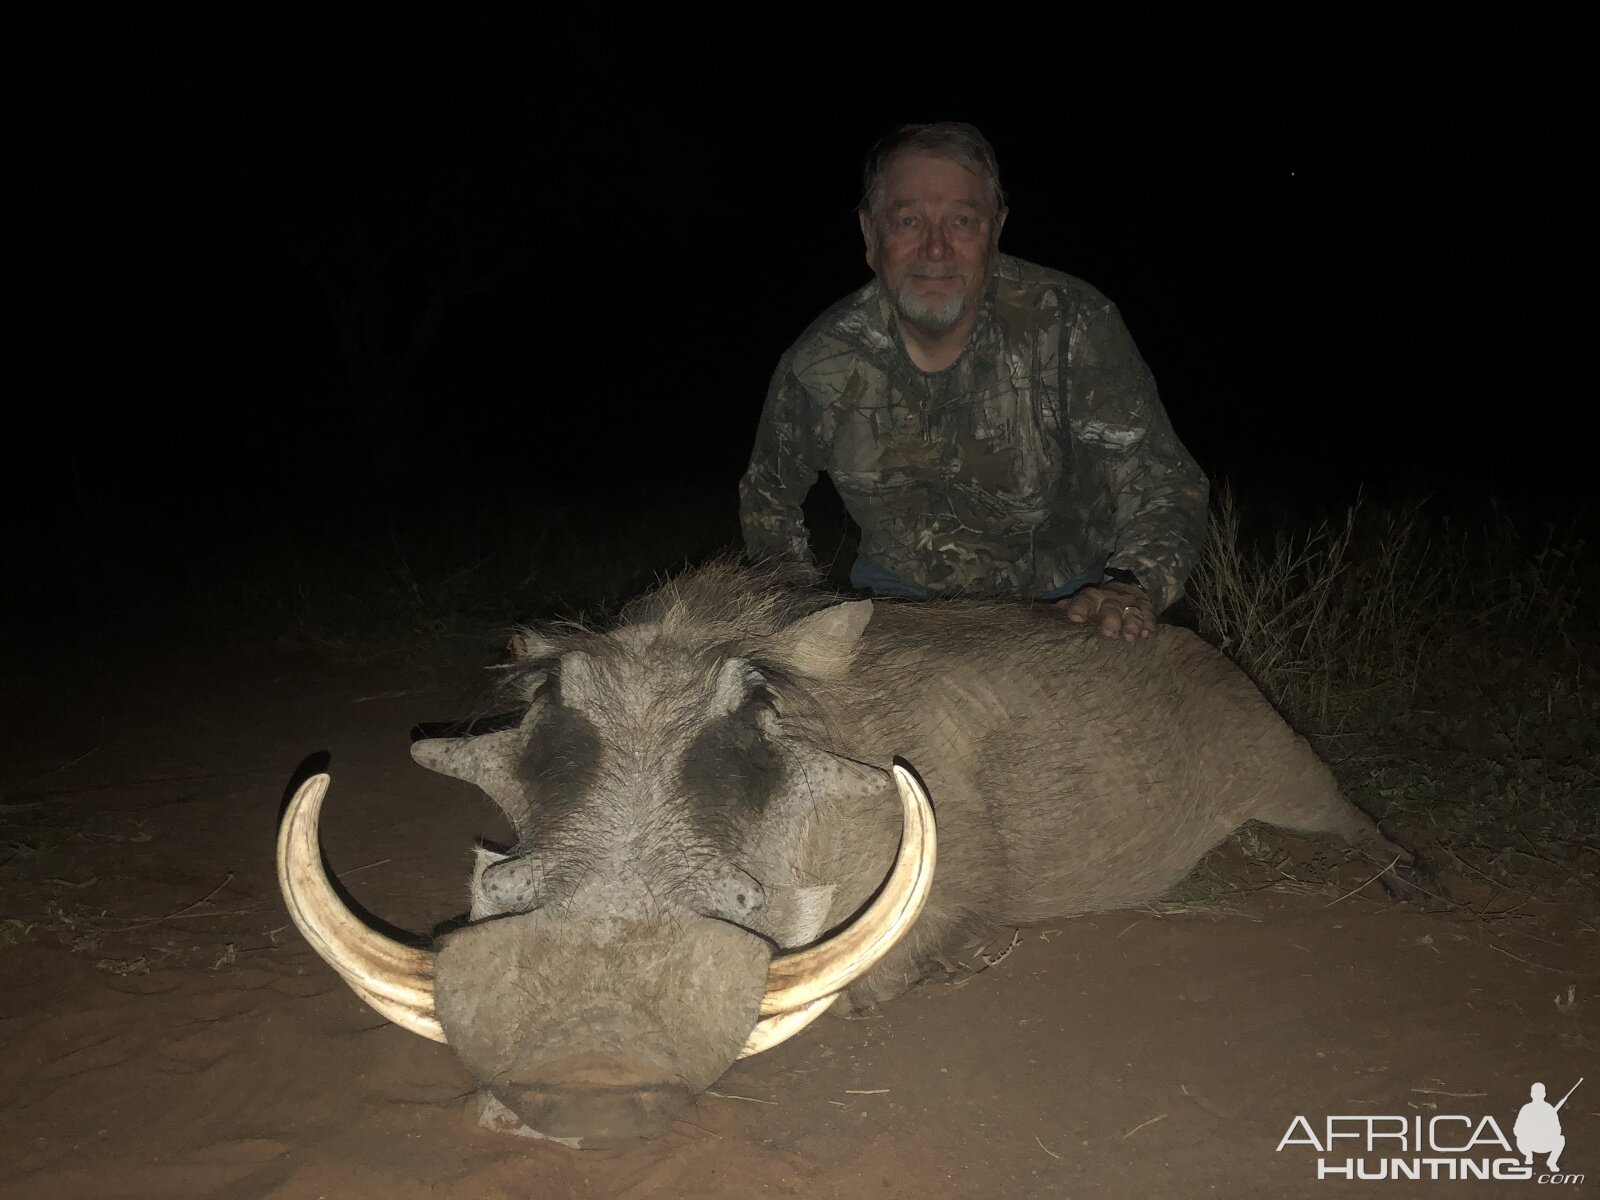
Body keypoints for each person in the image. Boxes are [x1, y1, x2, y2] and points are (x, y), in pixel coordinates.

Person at [738, 122, 1208, 641]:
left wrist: (1129, 583)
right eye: (909, 220)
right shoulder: (819, 361)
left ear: (996, 229)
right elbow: (768, 495)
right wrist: (801, 609)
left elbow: (1164, 479)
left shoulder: (1072, 324)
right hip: (897, 607)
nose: (935, 249)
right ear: (871, 235)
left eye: (961, 221)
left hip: (1067, 602)